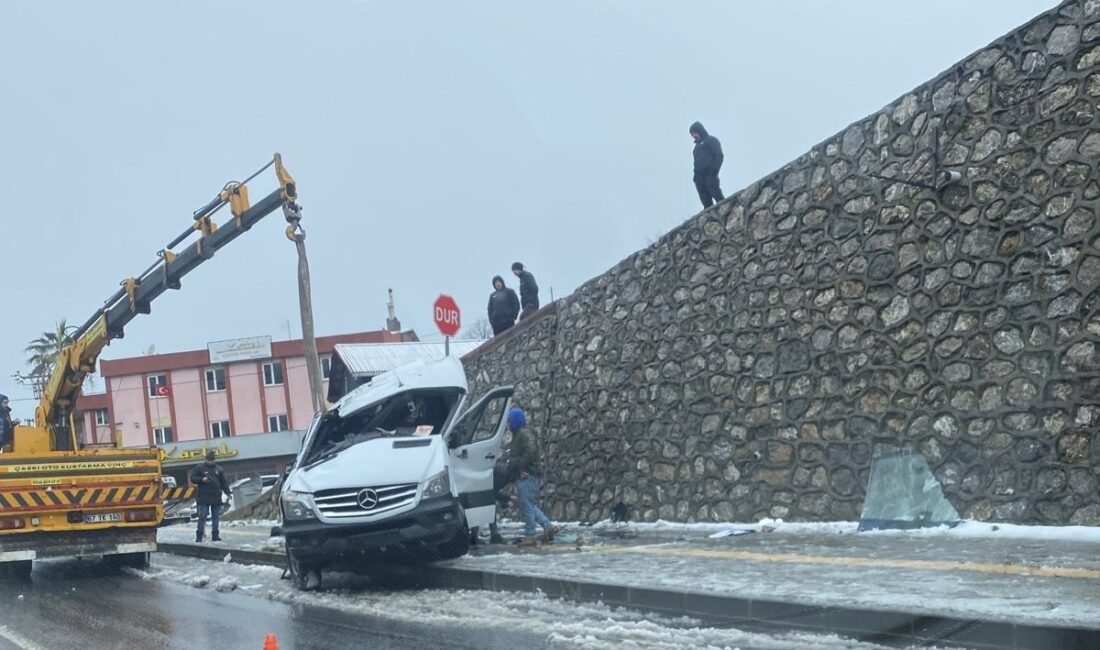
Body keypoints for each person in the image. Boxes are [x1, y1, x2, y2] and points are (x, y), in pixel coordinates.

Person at [505, 407, 557, 546]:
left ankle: (530, 535)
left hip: (527, 475)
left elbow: (531, 450)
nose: (508, 424)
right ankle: (548, 526)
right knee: (528, 504)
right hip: (527, 475)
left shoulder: (524, 434)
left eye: (510, 421)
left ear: (515, 421)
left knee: (526, 506)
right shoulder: (520, 434)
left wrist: (522, 466)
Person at [190, 450, 232, 542]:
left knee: (216, 516)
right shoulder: (199, 468)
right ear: (205, 460)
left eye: (212, 460)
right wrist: (202, 479)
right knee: (203, 516)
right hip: (203, 496)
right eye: (208, 460)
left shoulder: (219, 469)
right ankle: (199, 535)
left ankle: (215, 535)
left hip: (216, 496)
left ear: (214, 460)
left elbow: (223, 482)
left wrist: (228, 492)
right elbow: (193, 478)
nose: (210, 462)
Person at [690, 121, 724, 208]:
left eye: (694, 132)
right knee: (705, 200)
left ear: (700, 130)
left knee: (716, 193)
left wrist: (714, 170)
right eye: (692, 134)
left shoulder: (711, 140)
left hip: (710, 173)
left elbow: (719, 155)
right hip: (699, 177)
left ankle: (726, 208)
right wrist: (695, 178)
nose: (693, 135)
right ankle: (710, 215)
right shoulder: (696, 149)